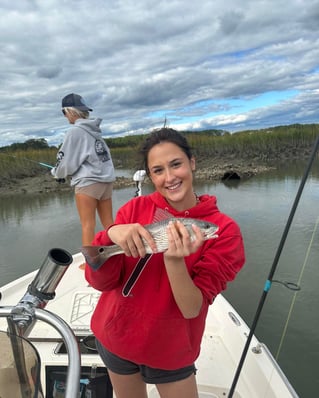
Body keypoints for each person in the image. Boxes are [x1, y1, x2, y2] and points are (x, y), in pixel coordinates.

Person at [84, 127, 245, 398]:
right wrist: (111, 233)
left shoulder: (224, 231)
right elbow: (100, 281)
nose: (169, 177)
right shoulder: (134, 210)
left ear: (192, 163)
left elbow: (192, 308)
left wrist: (173, 261)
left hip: (171, 351)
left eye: (176, 164)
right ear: (150, 176)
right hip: (115, 339)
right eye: (158, 170)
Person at [51, 93, 115, 246]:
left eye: (64, 112)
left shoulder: (74, 131)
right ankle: (117, 256)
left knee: (87, 225)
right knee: (109, 224)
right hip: (106, 182)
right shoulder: (96, 132)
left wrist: (57, 173)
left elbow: (65, 161)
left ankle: (90, 263)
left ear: (71, 111)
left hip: (88, 184)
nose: (66, 117)